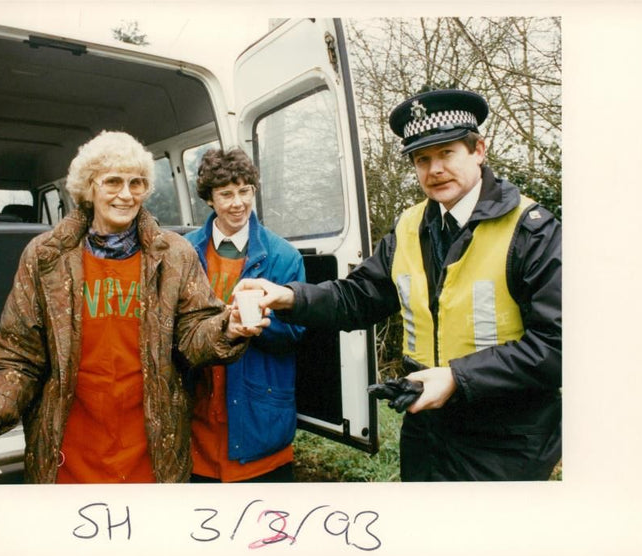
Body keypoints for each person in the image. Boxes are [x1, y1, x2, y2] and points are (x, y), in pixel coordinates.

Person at [236, 89, 562, 481]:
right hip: (426, 429)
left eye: (446, 153)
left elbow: (557, 346)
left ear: (479, 150)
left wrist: (458, 377)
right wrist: (289, 296)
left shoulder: (533, 231)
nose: (434, 169)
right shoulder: (410, 226)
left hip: (506, 441)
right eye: (422, 159)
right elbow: (359, 296)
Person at [0, 131, 267, 484]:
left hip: (152, 457)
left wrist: (229, 326)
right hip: (67, 457)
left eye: (137, 183)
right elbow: (18, 356)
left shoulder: (174, 255)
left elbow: (194, 334)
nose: (126, 194)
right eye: (113, 182)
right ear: (89, 187)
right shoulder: (45, 258)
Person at [183, 148, 305, 483]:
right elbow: (173, 329)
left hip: (259, 421)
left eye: (245, 191)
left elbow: (296, 332)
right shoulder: (184, 252)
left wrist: (260, 327)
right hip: (199, 422)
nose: (238, 203)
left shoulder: (283, 255)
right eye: (226, 194)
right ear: (209, 198)